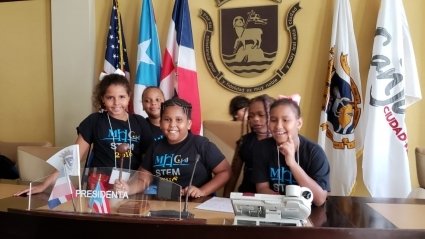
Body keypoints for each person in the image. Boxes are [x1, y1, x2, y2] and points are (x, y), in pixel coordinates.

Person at [15, 73, 153, 196]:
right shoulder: (94, 121)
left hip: (131, 186)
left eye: (121, 97)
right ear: (102, 99)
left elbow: (149, 160)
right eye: (110, 97)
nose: (116, 102)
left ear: (129, 97)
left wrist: (133, 186)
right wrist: (45, 184)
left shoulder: (139, 122)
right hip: (99, 185)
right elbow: (72, 157)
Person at [116, 97, 231, 198]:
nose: (172, 124)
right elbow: (143, 179)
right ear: (160, 123)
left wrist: (202, 191)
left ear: (189, 124)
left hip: (196, 204)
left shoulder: (201, 145)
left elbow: (225, 172)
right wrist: (128, 188)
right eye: (167, 119)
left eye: (179, 120)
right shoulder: (155, 147)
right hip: (164, 203)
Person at [252, 96, 330, 206]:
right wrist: (286, 205)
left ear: (299, 123)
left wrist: (292, 163)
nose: (278, 126)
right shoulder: (261, 148)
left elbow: (319, 199)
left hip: (307, 212)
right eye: (273, 120)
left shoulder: (314, 152)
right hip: (275, 208)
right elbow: (262, 188)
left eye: (285, 120)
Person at [223, 94, 275, 197]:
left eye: (261, 115)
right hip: (247, 196)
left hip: (275, 197)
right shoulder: (244, 142)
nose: (255, 119)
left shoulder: (281, 142)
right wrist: (225, 198)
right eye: (251, 116)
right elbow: (233, 174)